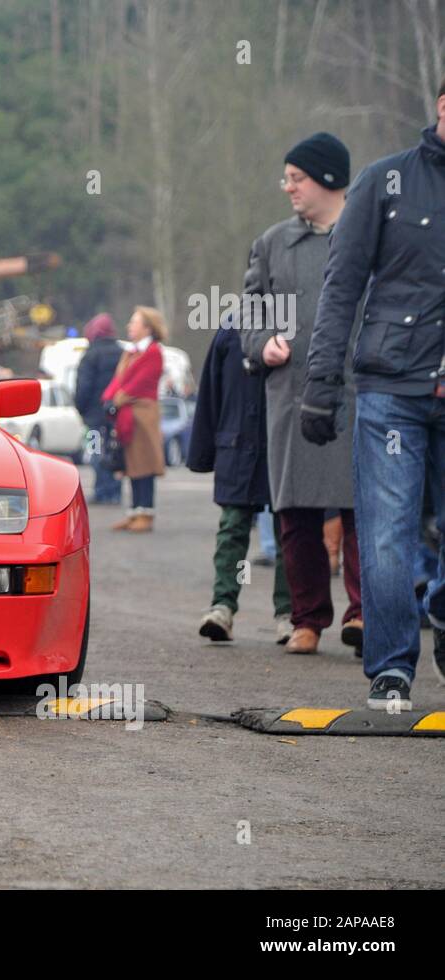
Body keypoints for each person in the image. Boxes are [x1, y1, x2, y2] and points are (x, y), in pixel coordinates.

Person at [303, 78, 445, 709]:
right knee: (387, 533)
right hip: (392, 387)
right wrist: (320, 385)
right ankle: (391, 668)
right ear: (441, 106)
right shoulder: (385, 183)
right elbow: (341, 289)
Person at [240, 132, 363, 656]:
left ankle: (365, 613)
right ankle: (307, 618)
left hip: (360, 391)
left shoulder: (369, 233)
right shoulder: (272, 244)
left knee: (364, 508)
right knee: (295, 514)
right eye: (287, 178)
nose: (287, 187)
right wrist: (260, 343)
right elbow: (247, 312)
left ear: (329, 180)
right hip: (290, 393)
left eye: (297, 178)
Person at [189, 312, 292, 644]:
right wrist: (204, 452)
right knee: (233, 529)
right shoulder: (232, 326)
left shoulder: (298, 321)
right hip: (237, 445)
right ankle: (222, 606)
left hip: (286, 445)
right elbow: (211, 392)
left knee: (290, 531)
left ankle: (291, 613)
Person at [103, 306, 166, 532]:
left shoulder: (153, 352)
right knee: (131, 464)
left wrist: (116, 399)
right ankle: (134, 511)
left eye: (134, 322)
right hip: (129, 414)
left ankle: (146, 512)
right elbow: (119, 380)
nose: (130, 326)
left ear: (147, 327)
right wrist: (109, 398)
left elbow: (138, 383)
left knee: (145, 465)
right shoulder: (131, 352)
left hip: (143, 413)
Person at [74, 313, 125, 504]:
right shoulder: (122, 353)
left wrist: (81, 409)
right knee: (114, 452)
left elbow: (83, 388)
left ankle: (102, 490)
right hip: (116, 417)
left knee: (96, 452)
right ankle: (115, 491)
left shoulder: (90, 356)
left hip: (94, 419)